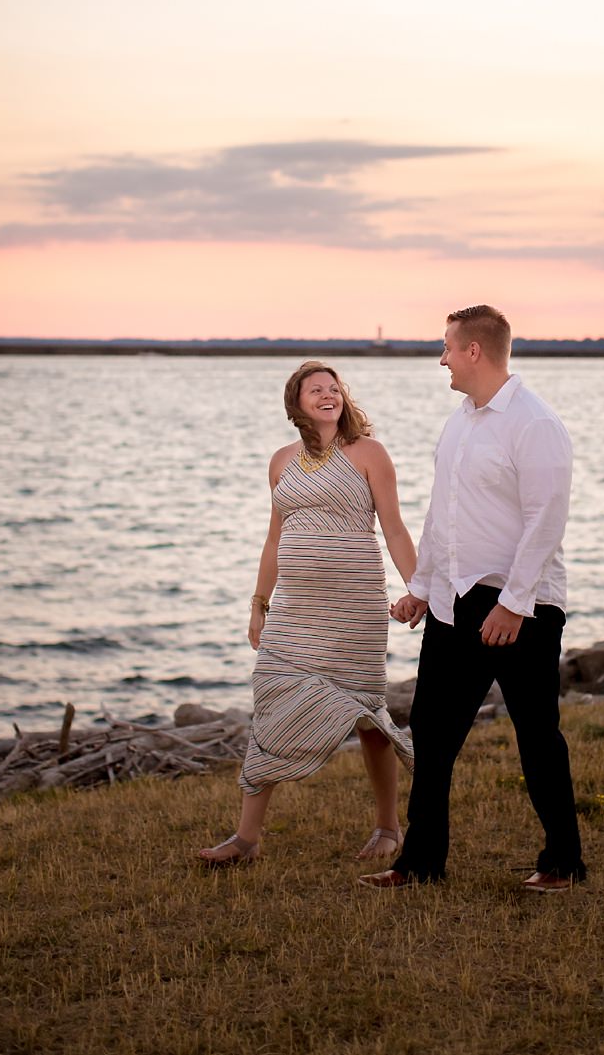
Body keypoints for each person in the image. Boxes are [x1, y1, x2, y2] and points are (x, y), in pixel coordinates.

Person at [362, 304, 585, 892]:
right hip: (453, 604)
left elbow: (547, 520)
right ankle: (420, 864)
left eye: (446, 347)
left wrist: (514, 604)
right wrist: (421, 588)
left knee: (537, 737)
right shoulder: (460, 421)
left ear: (474, 352)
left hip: (523, 608)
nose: (441, 359)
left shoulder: (535, 423)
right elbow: (444, 518)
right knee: (432, 738)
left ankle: (563, 862)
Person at [197, 362, 419, 867]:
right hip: (294, 612)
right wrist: (259, 604)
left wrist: (419, 588)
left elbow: (395, 530)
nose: (327, 394)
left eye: (333, 388)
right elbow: (274, 540)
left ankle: (389, 827)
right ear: (296, 404)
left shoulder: (369, 454)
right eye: (315, 389)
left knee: (366, 715)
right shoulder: (281, 462)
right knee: (272, 700)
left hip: (354, 610)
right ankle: (246, 839)